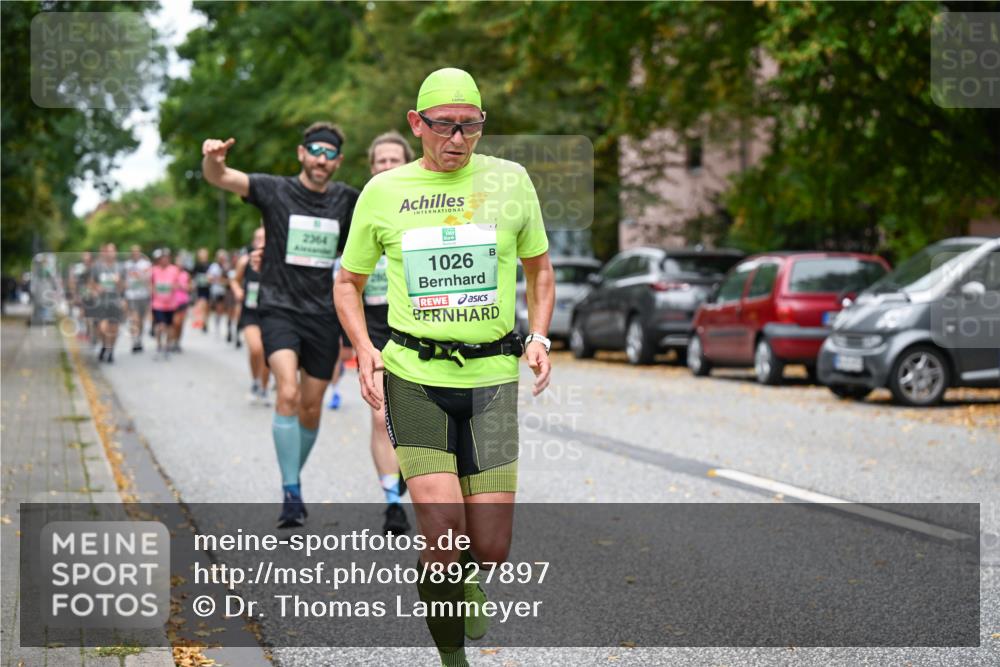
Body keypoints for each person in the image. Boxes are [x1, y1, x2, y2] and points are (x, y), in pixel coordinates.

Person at [335, 68, 554, 666]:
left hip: (492, 380)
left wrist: (538, 335)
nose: (458, 139)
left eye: (471, 126)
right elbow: (348, 283)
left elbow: (539, 269)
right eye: (444, 126)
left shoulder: (511, 181)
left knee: (492, 547)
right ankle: (452, 656)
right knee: (444, 532)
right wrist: (364, 348)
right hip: (415, 376)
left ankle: (464, 575)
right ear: (416, 123)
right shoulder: (383, 192)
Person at [202, 121, 359, 528]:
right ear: (301, 153)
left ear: (338, 161)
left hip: (322, 315)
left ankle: (293, 476)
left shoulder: (347, 200)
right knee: (287, 392)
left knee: (311, 407)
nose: (321, 159)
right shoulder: (276, 190)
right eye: (315, 150)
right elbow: (221, 177)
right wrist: (213, 159)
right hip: (278, 308)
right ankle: (291, 492)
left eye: (329, 153)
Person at [360, 130, 415, 535]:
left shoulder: (425, 208)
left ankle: (408, 474)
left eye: (394, 160)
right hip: (376, 332)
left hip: (419, 333)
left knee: (413, 422)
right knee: (381, 419)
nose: (386, 166)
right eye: (380, 161)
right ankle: (393, 502)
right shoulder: (361, 212)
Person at [232, 226, 271, 404]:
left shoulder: (276, 261)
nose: (261, 242)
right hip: (250, 312)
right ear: (254, 241)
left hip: (270, 313)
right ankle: (255, 380)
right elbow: (234, 280)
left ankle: (264, 387)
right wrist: (237, 290)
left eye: (264, 238)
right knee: (256, 348)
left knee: (267, 352)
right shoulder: (245, 261)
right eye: (258, 238)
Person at [90, 243, 126, 363]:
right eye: (108, 251)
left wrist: (119, 282)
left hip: (115, 301)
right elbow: (91, 283)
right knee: (102, 328)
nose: (111, 253)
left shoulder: (120, 267)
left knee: (114, 329)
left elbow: (124, 287)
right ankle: (105, 345)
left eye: (113, 251)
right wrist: (97, 288)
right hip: (101, 302)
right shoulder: (97, 267)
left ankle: (111, 351)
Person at [150, 248, 179, 360]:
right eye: (162, 258)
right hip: (158, 304)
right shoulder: (154, 270)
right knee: (160, 326)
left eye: (166, 258)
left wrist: (173, 287)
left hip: (171, 304)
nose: (164, 260)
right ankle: (159, 346)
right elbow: (150, 283)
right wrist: (153, 290)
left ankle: (167, 347)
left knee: (169, 326)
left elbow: (178, 284)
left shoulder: (174, 270)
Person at [123, 245, 152, 353]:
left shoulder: (146, 264)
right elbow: (123, 279)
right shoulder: (127, 265)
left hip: (143, 295)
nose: (135, 253)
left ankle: (139, 338)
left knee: (141, 319)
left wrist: (141, 277)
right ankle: (134, 340)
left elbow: (149, 278)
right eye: (133, 252)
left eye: (137, 252)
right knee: (134, 318)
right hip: (131, 295)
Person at [171, 253, 191, 352]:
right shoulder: (171, 273)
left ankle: (177, 342)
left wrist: (183, 287)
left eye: (182, 262)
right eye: (178, 261)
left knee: (181, 323)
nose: (180, 264)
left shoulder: (186, 274)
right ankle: (172, 340)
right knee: (175, 322)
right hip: (172, 301)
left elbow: (190, 287)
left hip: (183, 301)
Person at [191, 248, 211, 331]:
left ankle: (205, 321)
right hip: (199, 288)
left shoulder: (210, 265)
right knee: (202, 303)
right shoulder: (197, 265)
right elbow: (192, 276)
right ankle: (201, 321)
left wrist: (210, 278)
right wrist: (193, 283)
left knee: (207, 306)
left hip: (208, 288)